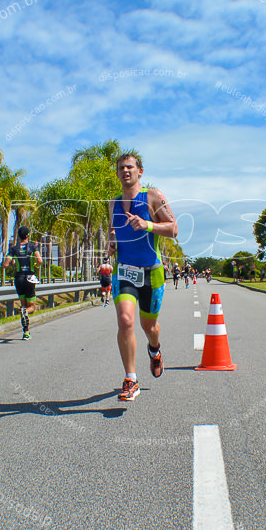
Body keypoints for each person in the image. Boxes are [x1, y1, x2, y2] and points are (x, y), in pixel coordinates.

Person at [108, 152, 178, 401]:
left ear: (140, 171)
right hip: (124, 271)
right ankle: (131, 379)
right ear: (117, 174)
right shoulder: (114, 203)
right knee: (126, 320)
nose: (125, 171)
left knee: (150, 327)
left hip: (152, 273)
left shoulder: (152, 197)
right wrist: (112, 243)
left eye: (130, 167)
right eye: (121, 168)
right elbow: (112, 231)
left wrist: (147, 224)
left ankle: (155, 350)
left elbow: (173, 228)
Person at [2, 226, 43, 340]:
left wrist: (12, 264)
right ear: (28, 235)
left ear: (19, 236)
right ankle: (25, 313)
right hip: (29, 277)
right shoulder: (32, 247)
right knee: (31, 307)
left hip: (19, 279)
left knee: (23, 304)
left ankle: (26, 332)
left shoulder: (14, 249)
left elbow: (5, 264)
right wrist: (36, 266)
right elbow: (39, 260)